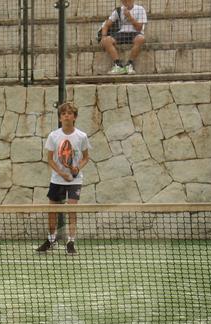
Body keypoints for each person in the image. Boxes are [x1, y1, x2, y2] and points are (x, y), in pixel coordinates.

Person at [36, 101, 91, 256]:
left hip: (75, 180)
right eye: (63, 114)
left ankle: (70, 242)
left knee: (72, 210)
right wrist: (62, 174)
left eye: (69, 113)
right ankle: (51, 239)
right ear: (60, 118)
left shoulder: (82, 136)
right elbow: (50, 159)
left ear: (74, 117)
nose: (66, 116)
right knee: (52, 211)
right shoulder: (54, 136)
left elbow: (86, 157)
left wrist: (77, 168)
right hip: (57, 180)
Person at [99, 0, 148, 75]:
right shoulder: (118, 10)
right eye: (124, 1)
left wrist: (130, 17)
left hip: (135, 33)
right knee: (106, 40)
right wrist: (103, 36)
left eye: (128, 1)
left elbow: (139, 28)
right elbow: (106, 25)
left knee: (141, 39)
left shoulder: (140, 9)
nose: (126, 3)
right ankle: (118, 65)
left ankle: (129, 65)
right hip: (121, 33)